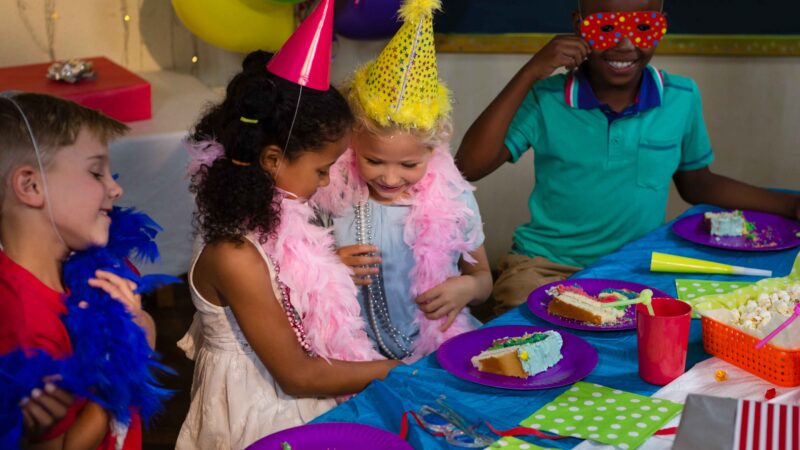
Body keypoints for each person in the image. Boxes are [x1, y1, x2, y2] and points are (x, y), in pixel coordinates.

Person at [455, 0, 800, 313]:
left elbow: (697, 182)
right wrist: (530, 72)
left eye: (643, 28)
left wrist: (789, 205)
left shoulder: (681, 97)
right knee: (533, 338)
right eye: (606, 28)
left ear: (661, 25)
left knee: (679, 331)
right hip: (544, 267)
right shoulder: (546, 98)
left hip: (634, 266)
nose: (625, 45)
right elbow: (468, 167)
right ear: (578, 26)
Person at [176, 46, 400, 449]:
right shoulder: (233, 253)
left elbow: (278, 277)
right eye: (321, 169)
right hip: (260, 415)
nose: (328, 182)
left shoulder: (259, 216)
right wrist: (399, 369)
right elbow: (297, 376)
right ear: (273, 159)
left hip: (290, 396)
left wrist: (325, 265)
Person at [314, 0, 492, 362]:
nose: (391, 177)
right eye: (373, 160)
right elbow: (295, 269)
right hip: (350, 354)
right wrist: (328, 265)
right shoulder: (331, 192)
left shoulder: (454, 198)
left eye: (409, 164)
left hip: (433, 349)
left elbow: (485, 278)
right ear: (351, 142)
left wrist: (468, 286)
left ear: (433, 150)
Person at [0, 92, 163, 449]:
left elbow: (143, 328)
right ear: (31, 186)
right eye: (95, 172)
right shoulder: (23, 322)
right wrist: (122, 370)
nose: (116, 188)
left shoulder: (80, 270)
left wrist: (138, 330)